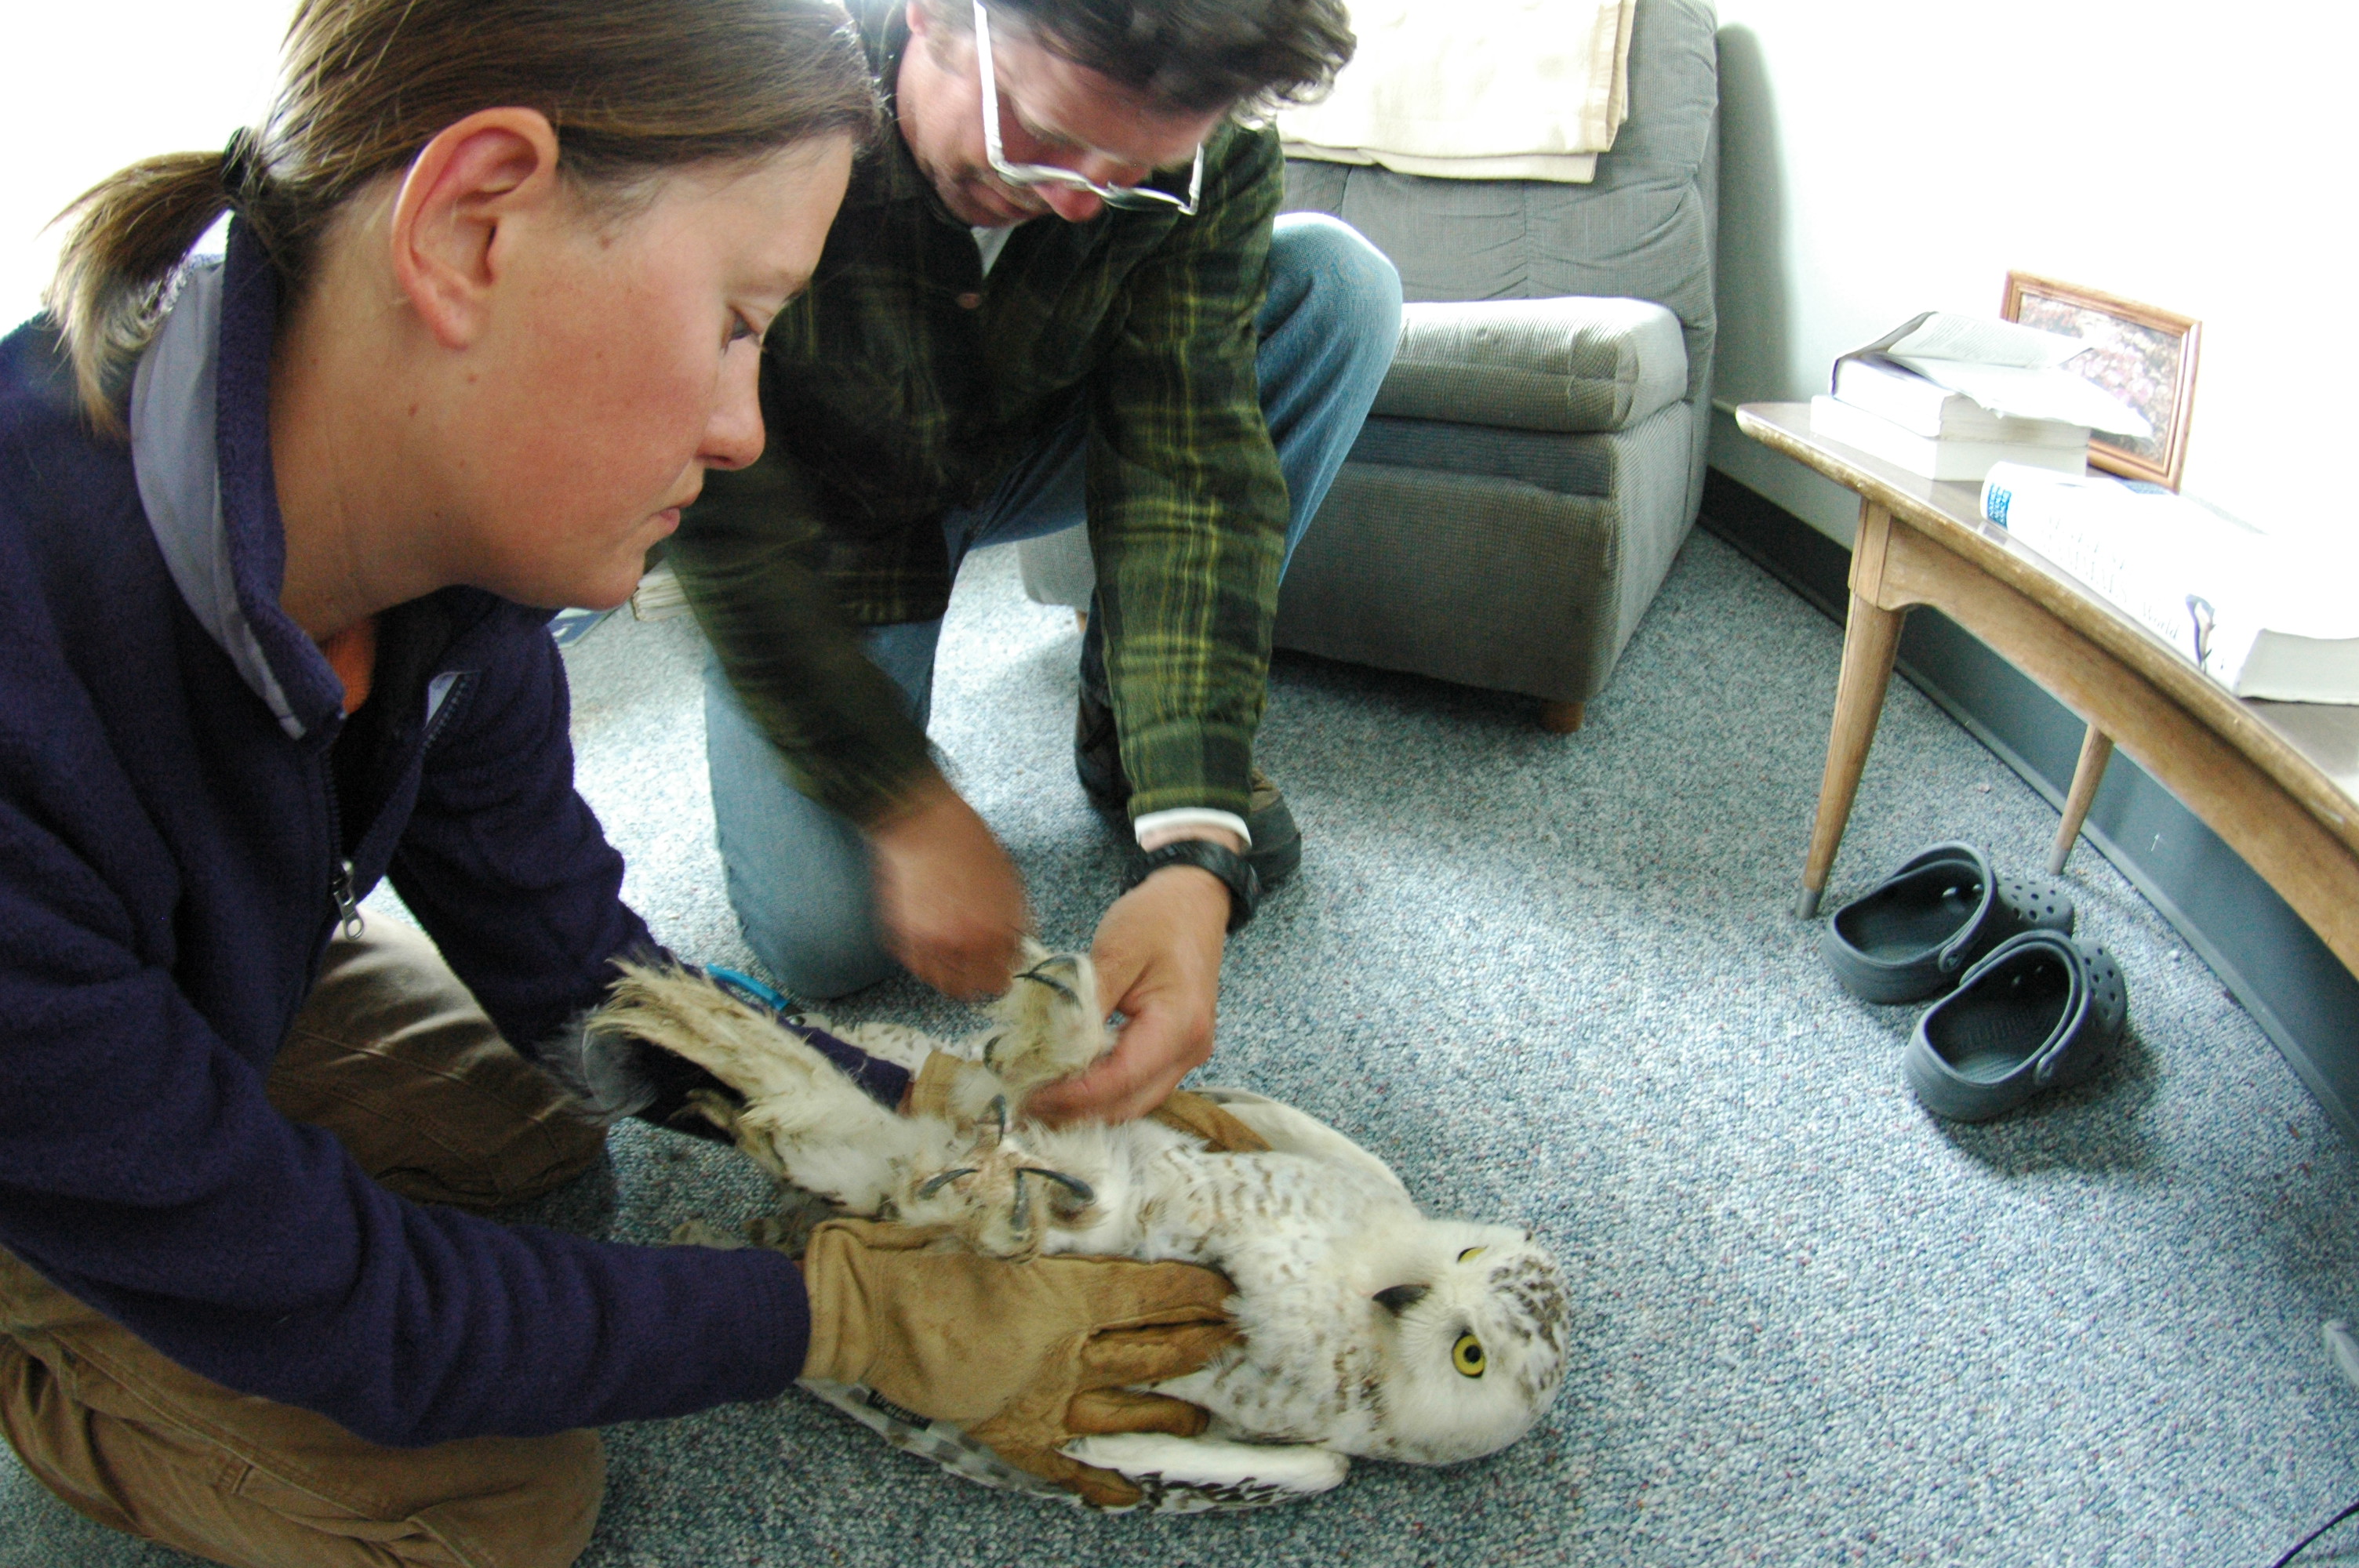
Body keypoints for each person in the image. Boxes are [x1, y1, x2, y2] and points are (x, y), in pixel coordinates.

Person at [0, 2, 1238, 1563]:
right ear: (474, 225)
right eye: (737, 322)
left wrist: (931, 1118)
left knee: (542, 1113)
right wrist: (846, 1317)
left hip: (144, 965)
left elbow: (570, 961)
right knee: (494, 1507)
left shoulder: (449, 556)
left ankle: (174, 1043)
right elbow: (365, 1310)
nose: (744, 431)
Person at [672, 0, 1403, 1124]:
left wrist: (1194, 840)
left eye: (1135, 170)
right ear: (934, 13)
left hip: (1028, 436)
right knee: (829, 943)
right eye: (1047, 136)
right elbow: (724, 522)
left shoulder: (1207, 163)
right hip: (832, 515)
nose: (1078, 200)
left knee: (1336, 286)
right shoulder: (754, 93)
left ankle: (1126, 728)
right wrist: (900, 798)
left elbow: (1190, 473)